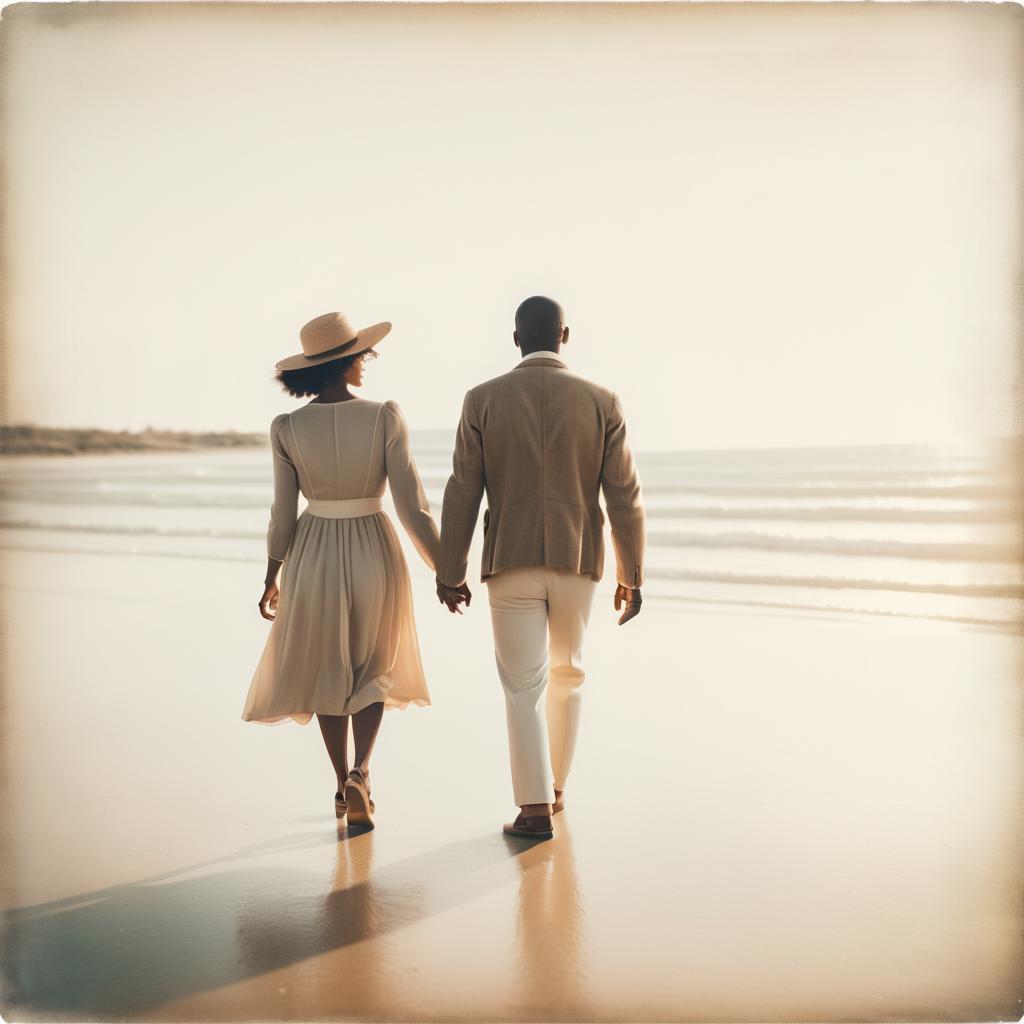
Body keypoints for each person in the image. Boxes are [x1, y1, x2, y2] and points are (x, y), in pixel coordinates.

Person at [435, 295, 646, 838]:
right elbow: (624, 494)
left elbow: (463, 490)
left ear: (515, 340)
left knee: (521, 684)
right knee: (568, 676)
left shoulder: (482, 399)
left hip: (510, 559)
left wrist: (449, 570)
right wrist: (632, 573)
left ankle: (532, 810)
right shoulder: (603, 401)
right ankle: (555, 792)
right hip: (579, 560)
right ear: (565, 336)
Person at [242, 311, 441, 831]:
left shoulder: (286, 427)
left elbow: (282, 511)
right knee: (375, 665)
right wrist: (446, 568)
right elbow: (413, 505)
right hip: (374, 545)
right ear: (349, 362)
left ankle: (339, 784)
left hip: (313, 550)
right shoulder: (385, 417)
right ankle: (362, 771)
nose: (365, 364)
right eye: (361, 357)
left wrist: (271, 574)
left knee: (328, 668)